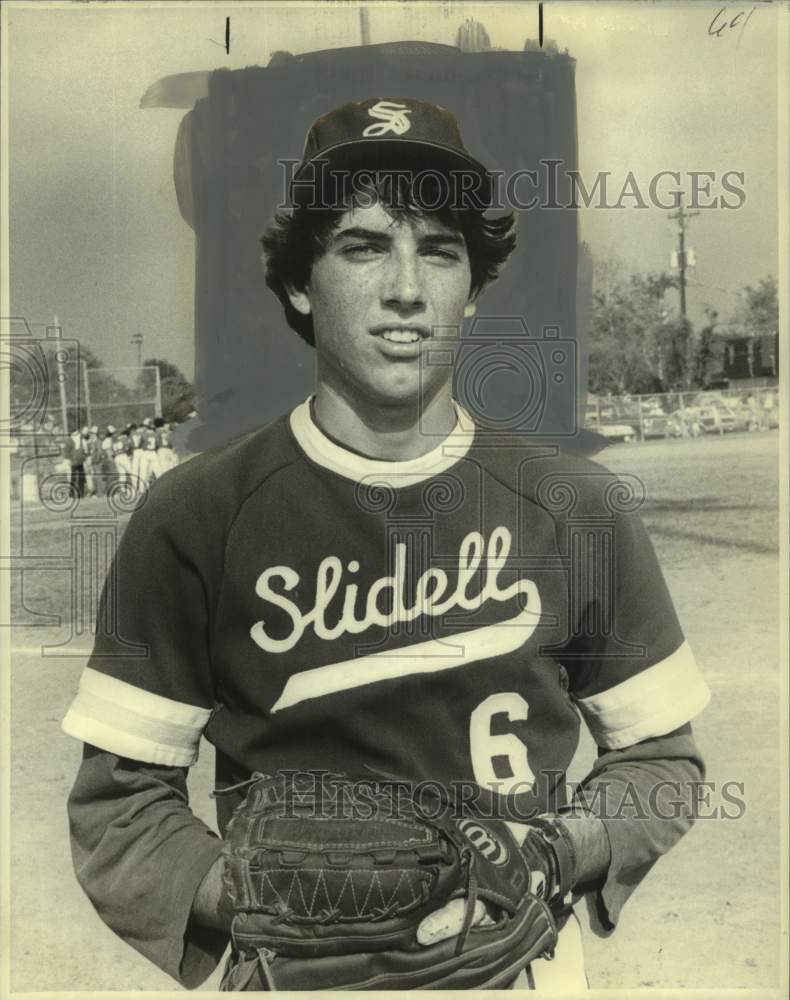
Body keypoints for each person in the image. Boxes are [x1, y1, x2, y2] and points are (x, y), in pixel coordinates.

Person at [62, 97, 710, 991]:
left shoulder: (573, 506)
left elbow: (662, 762)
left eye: (439, 251)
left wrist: (555, 856)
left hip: (517, 980)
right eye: (365, 246)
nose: (406, 288)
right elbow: (120, 806)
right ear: (299, 281)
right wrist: (255, 895)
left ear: (473, 288)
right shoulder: (197, 515)